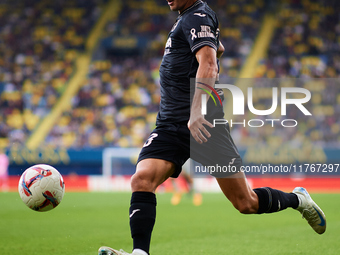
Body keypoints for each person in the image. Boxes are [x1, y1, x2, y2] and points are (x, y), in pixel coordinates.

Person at [99, 0, 326, 254]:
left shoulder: (197, 15)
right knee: (141, 179)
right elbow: (217, 48)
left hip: (204, 125)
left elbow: (209, 63)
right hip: (170, 124)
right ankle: (140, 252)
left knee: (245, 202)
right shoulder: (189, 18)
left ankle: (299, 199)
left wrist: (196, 110)